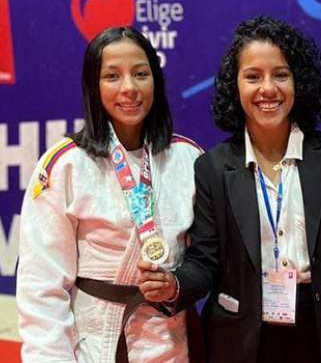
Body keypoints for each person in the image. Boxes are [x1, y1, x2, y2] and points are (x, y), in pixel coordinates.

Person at [137, 16, 321, 363]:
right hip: (239, 339)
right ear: (236, 86)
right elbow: (204, 262)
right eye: (253, 76)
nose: (268, 89)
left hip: (320, 331)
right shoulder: (214, 167)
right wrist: (174, 286)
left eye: (280, 74)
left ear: (298, 82)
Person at [16, 26, 202, 363]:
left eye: (141, 74)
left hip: (171, 342)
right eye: (112, 76)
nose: (129, 88)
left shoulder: (189, 159)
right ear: (93, 86)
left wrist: (176, 283)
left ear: (156, 82)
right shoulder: (65, 164)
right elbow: (40, 285)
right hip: (94, 342)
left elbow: (210, 261)